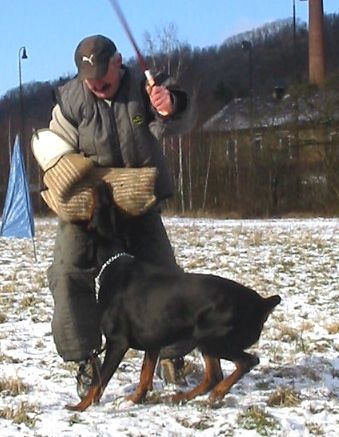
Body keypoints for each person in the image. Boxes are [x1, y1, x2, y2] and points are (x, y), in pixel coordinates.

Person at [33, 34, 195, 398]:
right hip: (89, 205)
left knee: (165, 274)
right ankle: (85, 359)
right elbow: (55, 148)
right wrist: (61, 170)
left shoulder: (145, 87)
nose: (97, 85)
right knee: (66, 272)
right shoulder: (71, 100)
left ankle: (172, 354)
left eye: (103, 78)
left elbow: (175, 117)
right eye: (89, 80)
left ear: (118, 62)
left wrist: (171, 104)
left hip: (140, 201)